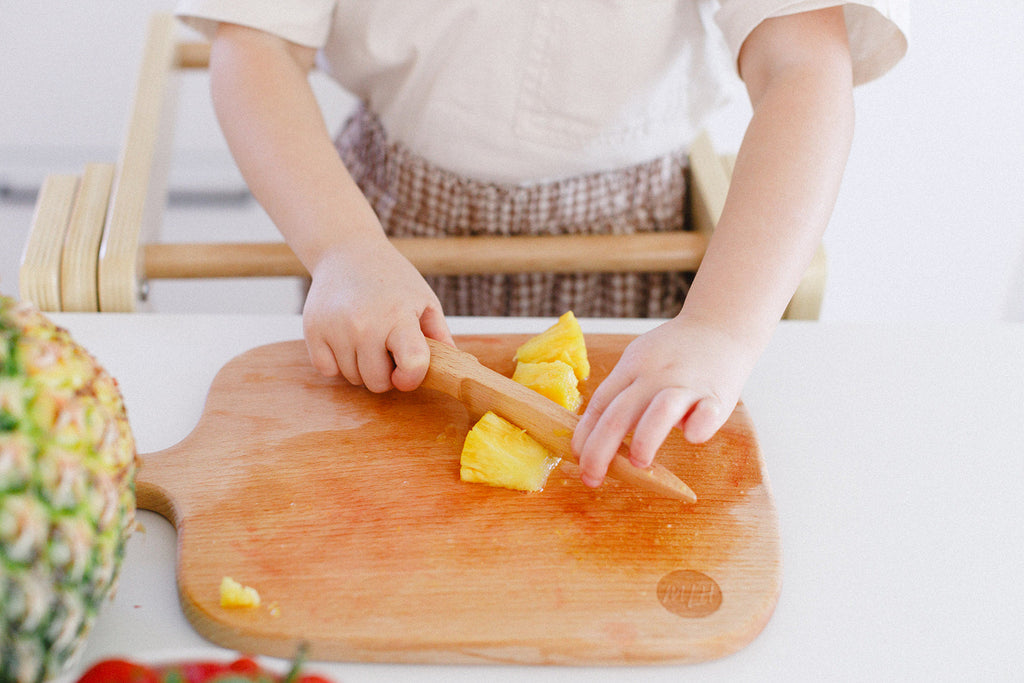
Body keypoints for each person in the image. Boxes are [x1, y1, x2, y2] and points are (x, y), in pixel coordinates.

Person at [175, 1, 908, 488]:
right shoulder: (357, 241)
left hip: (641, 243)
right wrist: (342, 250)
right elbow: (257, 43)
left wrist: (720, 327)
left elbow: (806, 68)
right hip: (380, 230)